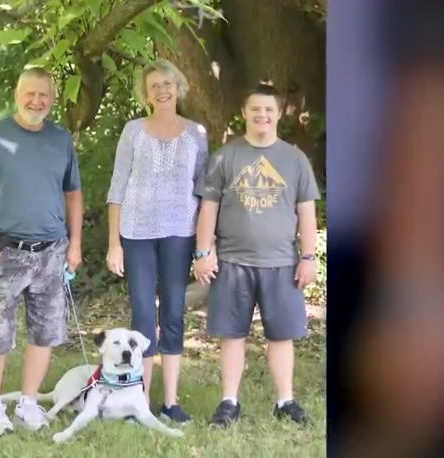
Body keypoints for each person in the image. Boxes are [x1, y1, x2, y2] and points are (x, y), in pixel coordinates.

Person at [0, 67, 84, 437]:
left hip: (51, 252)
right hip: (5, 252)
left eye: (44, 95)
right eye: (30, 94)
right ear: (17, 94)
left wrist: (75, 244)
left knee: (45, 332)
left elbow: (73, 194)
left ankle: (28, 403)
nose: (37, 101)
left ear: (52, 98)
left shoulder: (61, 140)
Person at [193, 82, 320, 427]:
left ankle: (285, 401)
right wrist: (204, 252)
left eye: (268, 110)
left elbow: (307, 212)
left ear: (279, 114)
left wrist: (308, 258)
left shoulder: (294, 159)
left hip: (282, 263)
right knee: (232, 334)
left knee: (281, 335)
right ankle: (229, 402)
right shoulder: (226, 156)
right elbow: (208, 208)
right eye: (255, 110)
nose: (262, 115)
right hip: (232, 261)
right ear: (244, 113)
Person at [105, 59, 208, 423]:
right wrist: (113, 243)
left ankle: (171, 402)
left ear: (179, 86)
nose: (162, 91)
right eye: (154, 87)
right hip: (136, 233)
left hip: (180, 232)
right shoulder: (133, 131)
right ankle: (141, 400)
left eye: (168, 84)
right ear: (146, 95)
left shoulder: (196, 132)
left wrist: (204, 247)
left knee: (174, 313)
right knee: (143, 314)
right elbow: (117, 186)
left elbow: (204, 191)